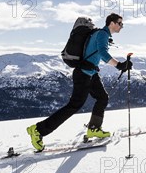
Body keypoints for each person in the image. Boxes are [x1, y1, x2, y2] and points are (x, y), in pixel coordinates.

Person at [26, 13, 132, 151]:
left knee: (102, 97)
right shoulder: (102, 34)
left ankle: (93, 128)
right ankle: (38, 130)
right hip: (83, 74)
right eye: (120, 23)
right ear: (112, 23)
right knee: (74, 105)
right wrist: (120, 65)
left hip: (91, 73)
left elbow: (97, 53)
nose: (121, 26)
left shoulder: (101, 35)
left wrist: (122, 65)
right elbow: (103, 53)